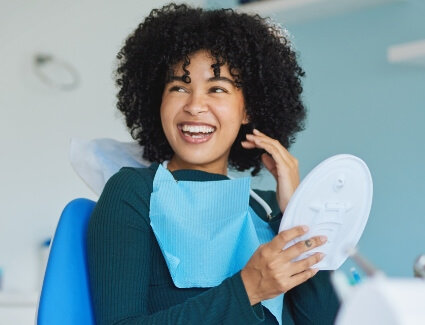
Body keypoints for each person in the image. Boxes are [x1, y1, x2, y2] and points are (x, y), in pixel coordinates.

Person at [87, 3, 340, 324]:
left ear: (248, 108)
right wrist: (248, 288)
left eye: (217, 88)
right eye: (179, 87)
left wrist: (298, 212)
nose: (195, 106)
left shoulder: (267, 208)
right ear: (157, 100)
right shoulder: (134, 192)